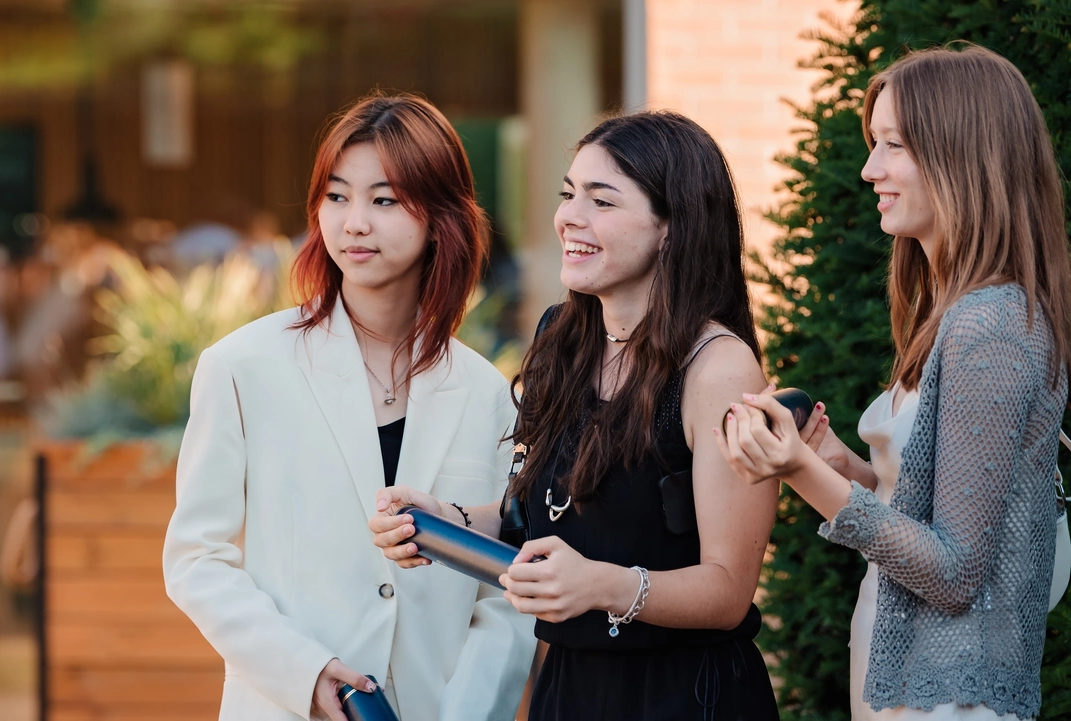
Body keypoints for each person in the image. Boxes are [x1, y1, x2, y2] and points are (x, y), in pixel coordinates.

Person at [372, 111, 786, 720]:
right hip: (567, 689)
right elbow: (539, 518)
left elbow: (728, 589)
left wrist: (605, 585)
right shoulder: (560, 337)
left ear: (673, 227)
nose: (570, 217)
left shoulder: (719, 370)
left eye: (602, 201)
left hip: (686, 696)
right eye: (568, 194)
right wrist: (448, 522)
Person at [717, 45, 1071, 721]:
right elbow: (931, 517)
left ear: (962, 155)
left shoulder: (990, 327)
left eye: (892, 146)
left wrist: (799, 472)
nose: (868, 169)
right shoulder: (954, 314)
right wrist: (843, 467)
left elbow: (955, 571)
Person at [163, 93, 536, 721]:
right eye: (336, 197)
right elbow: (197, 558)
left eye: (383, 200)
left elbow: (504, 592)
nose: (354, 222)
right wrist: (301, 673)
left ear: (441, 216)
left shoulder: (486, 395)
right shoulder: (242, 367)